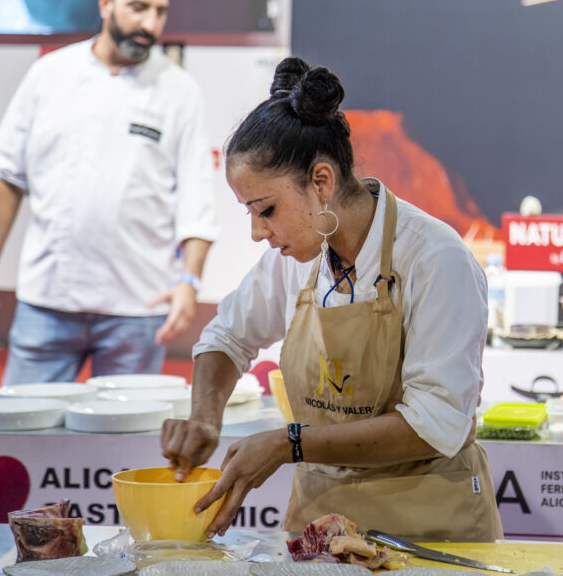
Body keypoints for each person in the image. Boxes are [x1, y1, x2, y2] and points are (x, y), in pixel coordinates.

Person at [160, 57, 503, 541]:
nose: (258, 233)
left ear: (321, 182)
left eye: (266, 210)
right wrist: (204, 418)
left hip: (429, 532)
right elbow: (226, 336)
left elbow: (434, 424)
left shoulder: (436, 259)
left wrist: (291, 444)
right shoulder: (296, 259)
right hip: (320, 535)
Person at [0, 0, 217, 383]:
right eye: (138, 7)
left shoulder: (180, 91)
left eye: (159, 12)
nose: (150, 25)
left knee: (123, 448)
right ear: (105, 3)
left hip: (137, 311)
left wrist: (190, 282)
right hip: (47, 301)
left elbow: (197, 198)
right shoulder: (49, 75)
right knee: (25, 438)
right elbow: (7, 178)